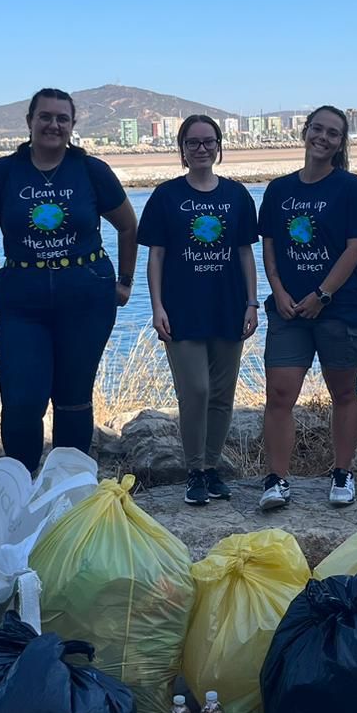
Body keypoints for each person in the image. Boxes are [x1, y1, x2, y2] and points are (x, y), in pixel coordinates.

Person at [0, 88, 138, 472]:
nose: (53, 125)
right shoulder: (3, 173)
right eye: (45, 117)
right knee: (22, 400)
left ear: (72, 125)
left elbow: (129, 227)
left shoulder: (91, 170)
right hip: (22, 302)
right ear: (29, 122)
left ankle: (68, 487)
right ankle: (20, 482)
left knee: (73, 398)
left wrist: (125, 281)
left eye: (62, 118)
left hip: (86, 297)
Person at [256, 105, 357, 511]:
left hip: (341, 309)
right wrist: (278, 291)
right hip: (289, 310)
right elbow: (270, 246)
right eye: (317, 129)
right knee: (279, 393)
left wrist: (322, 294)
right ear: (305, 132)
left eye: (333, 133)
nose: (322, 137)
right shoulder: (279, 190)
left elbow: (355, 247)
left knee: (343, 392)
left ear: (341, 143)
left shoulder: (350, 188)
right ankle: (276, 479)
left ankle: (342, 472)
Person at [142, 115, 260, 506]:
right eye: (192, 142)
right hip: (181, 309)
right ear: (182, 149)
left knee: (222, 394)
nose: (201, 149)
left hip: (228, 306)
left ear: (219, 146)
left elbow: (245, 252)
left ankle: (211, 468)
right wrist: (157, 306)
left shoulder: (237, 196)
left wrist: (252, 303)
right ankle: (193, 469)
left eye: (209, 141)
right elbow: (156, 256)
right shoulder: (165, 196)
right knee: (196, 390)